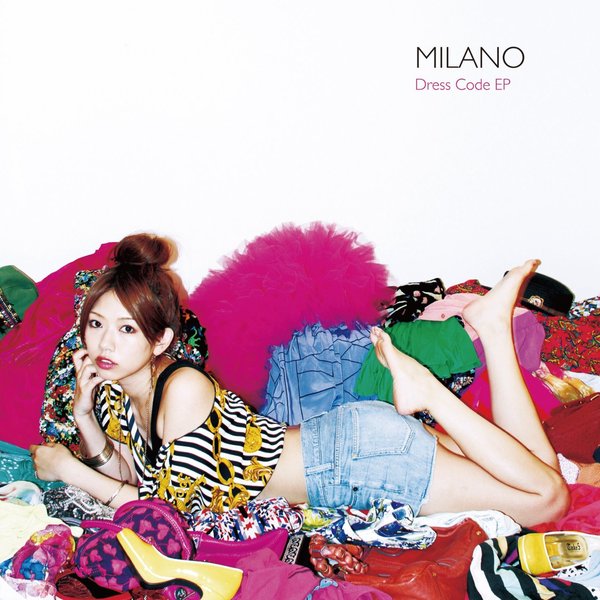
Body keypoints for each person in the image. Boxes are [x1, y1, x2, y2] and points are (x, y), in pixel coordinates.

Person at [30, 233, 570, 528]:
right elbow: (135, 473)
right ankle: (493, 329)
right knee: (538, 467)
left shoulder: (183, 388)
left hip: (355, 463)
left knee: (547, 502)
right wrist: (84, 419)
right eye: (96, 324)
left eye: (126, 329)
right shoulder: (118, 392)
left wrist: (71, 471)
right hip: (351, 441)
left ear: (161, 341)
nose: (105, 344)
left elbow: (169, 514)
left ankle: (426, 389)